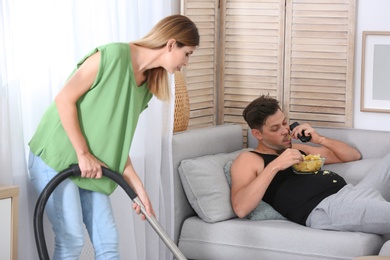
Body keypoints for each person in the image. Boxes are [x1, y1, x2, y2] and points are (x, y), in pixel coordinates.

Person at [28, 14, 199, 259]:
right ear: (171, 44)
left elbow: (115, 143)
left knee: (108, 241)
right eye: (188, 53)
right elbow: (64, 99)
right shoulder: (112, 56)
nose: (187, 63)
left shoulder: (147, 87)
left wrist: (138, 188)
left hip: (95, 164)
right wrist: (83, 153)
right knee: (72, 240)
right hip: (56, 157)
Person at [231, 94, 390, 235]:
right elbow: (241, 208)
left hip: (353, 192)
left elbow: (353, 155)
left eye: (285, 122)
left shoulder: (296, 148)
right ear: (257, 134)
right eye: (275, 128)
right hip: (329, 208)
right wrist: (275, 165)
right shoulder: (249, 159)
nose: (285, 130)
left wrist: (319, 139)